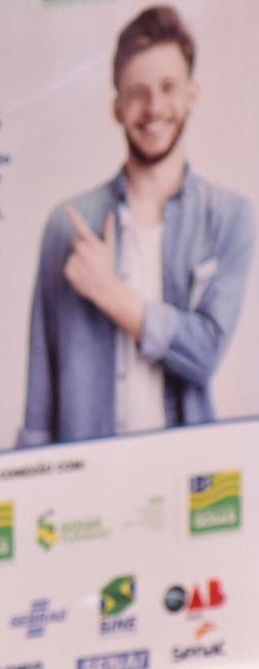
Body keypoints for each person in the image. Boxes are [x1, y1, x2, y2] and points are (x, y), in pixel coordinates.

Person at [20, 5, 254, 446]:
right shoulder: (67, 227)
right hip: (88, 474)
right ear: (117, 108)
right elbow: (39, 402)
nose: (154, 107)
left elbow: (205, 354)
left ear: (192, 94)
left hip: (189, 470)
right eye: (137, 93)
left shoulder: (230, 217)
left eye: (168, 87)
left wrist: (110, 293)